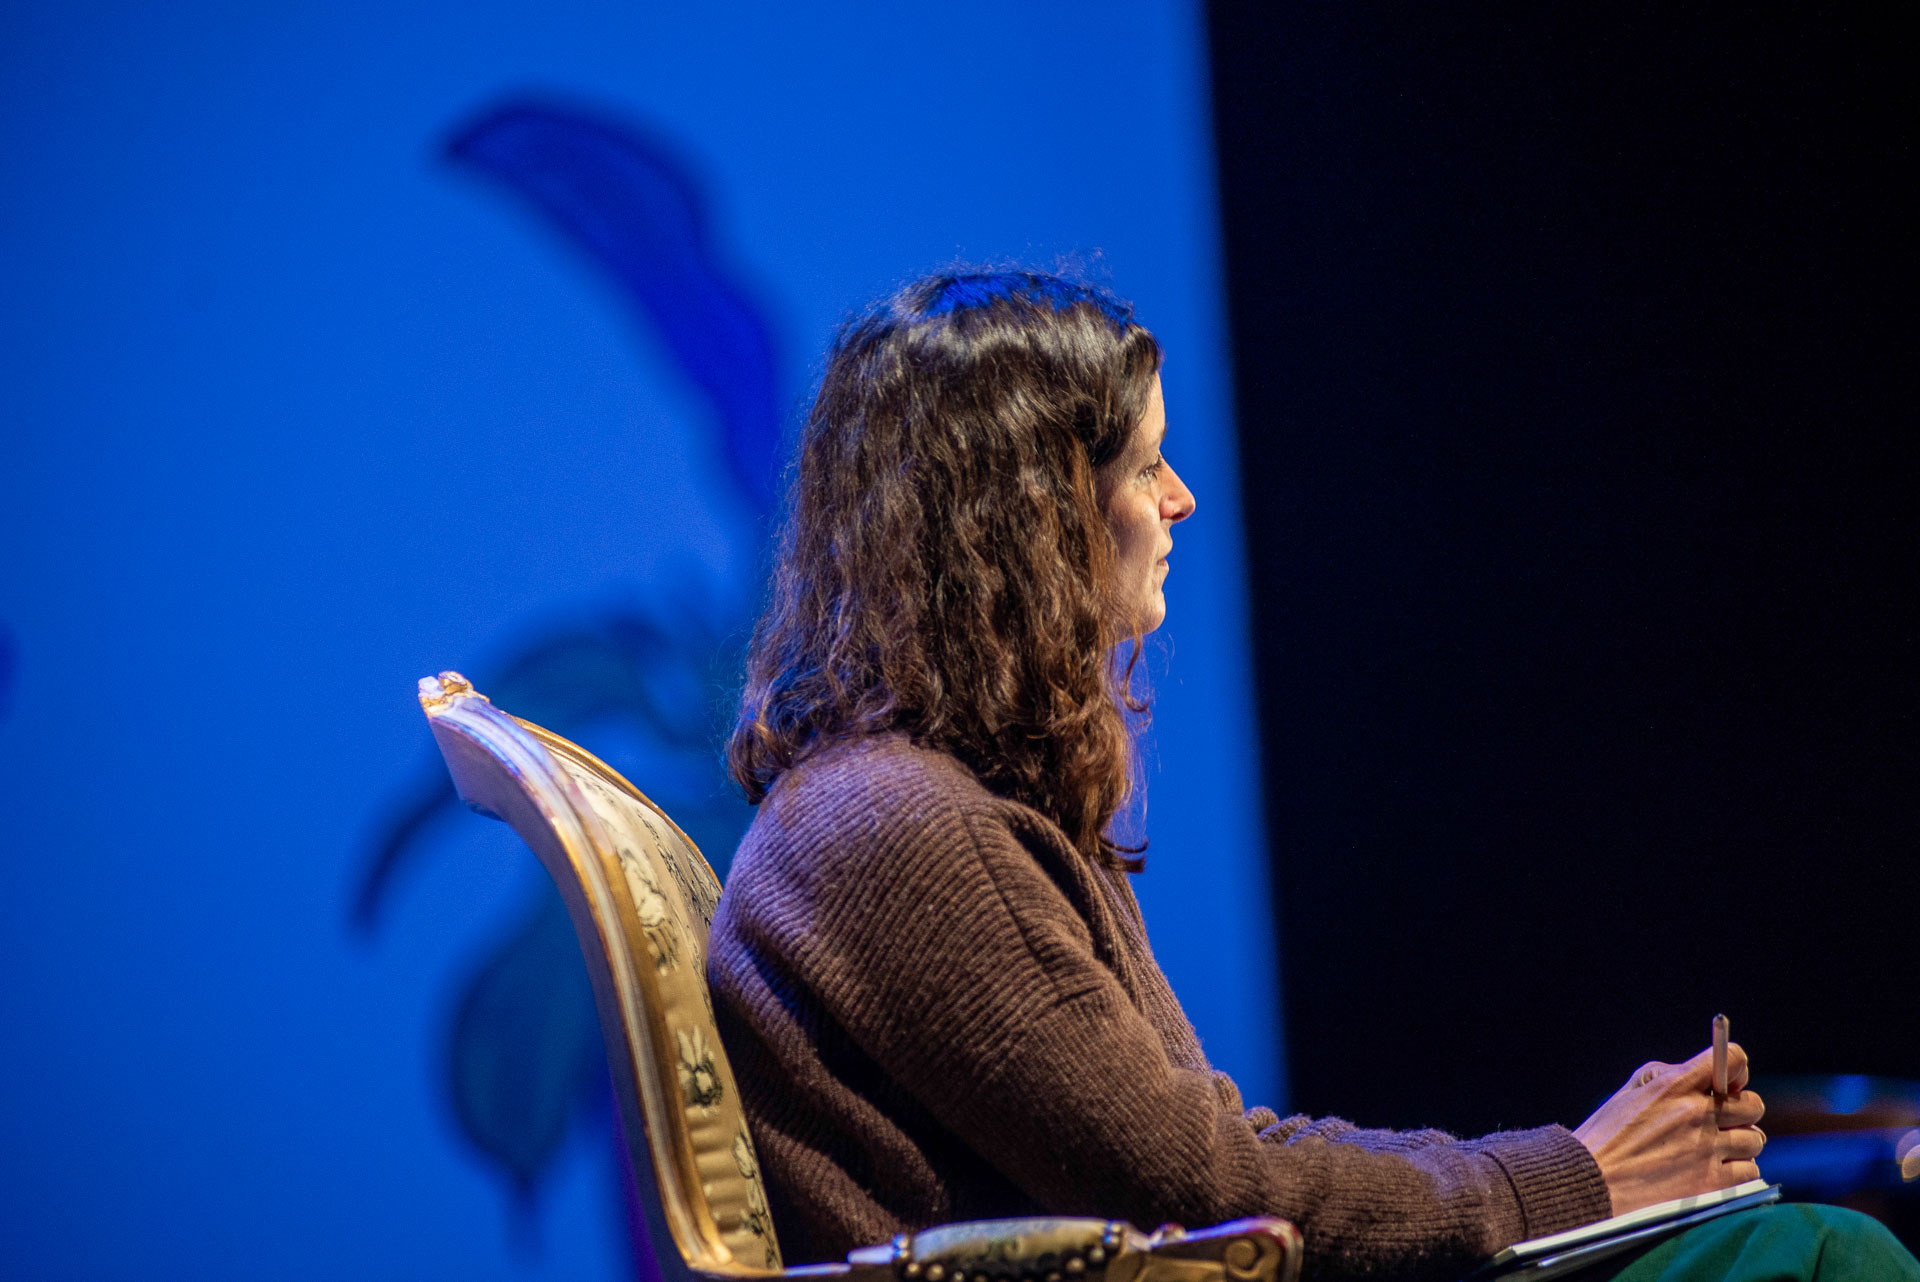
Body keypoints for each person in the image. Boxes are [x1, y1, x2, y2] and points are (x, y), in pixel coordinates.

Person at [706, 271, 1915, 1281]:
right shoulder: (902, 830)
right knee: (1816, 1257)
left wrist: (1579, 1173)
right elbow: (1207, 1192)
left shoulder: (935, 804)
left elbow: (1214, 1151)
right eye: (1146, 466)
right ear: (1036, 518)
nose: (1181, 498)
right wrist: (1578, 1175)